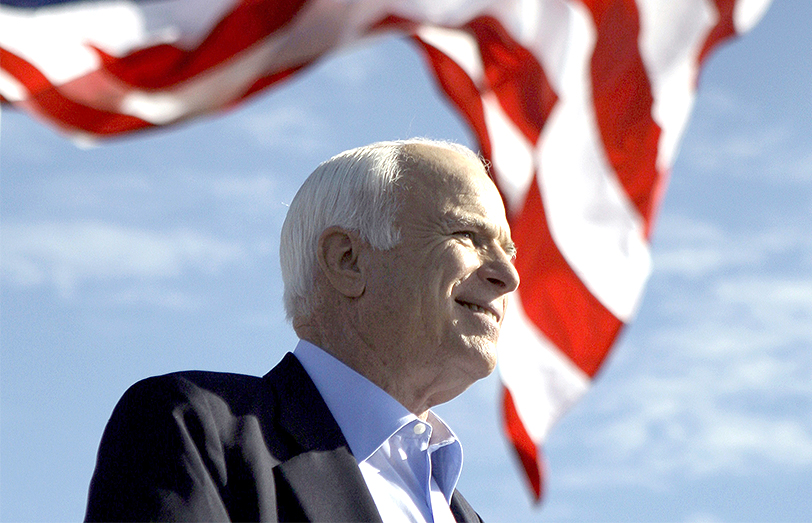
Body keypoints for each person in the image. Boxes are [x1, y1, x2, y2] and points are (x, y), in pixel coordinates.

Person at [84, 139, 519, 522]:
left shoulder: (463, 513)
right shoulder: (194, 432)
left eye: (509, 250)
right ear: (346, 259)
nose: (508, 276)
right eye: (467, 235)